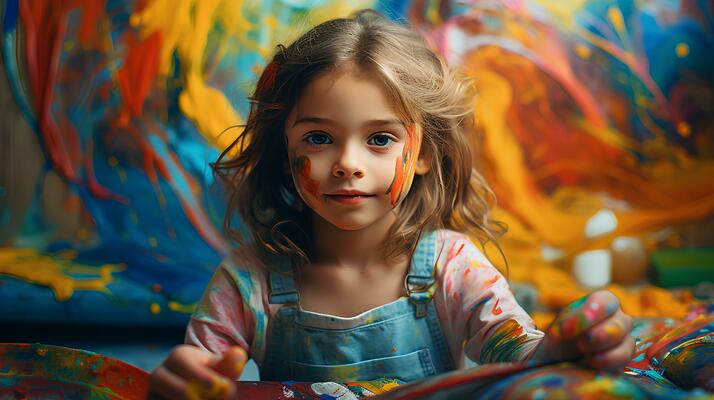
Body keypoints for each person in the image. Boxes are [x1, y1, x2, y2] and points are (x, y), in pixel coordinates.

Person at [149, 9, 634, 399]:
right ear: (284, 152)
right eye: (319, 138)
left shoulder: (452, 266)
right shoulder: (247, 282)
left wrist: (563, 349)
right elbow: (201, 375)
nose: (347, 164)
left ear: (422, 154)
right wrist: (183, 382)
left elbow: (520, 357)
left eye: (380, 138)